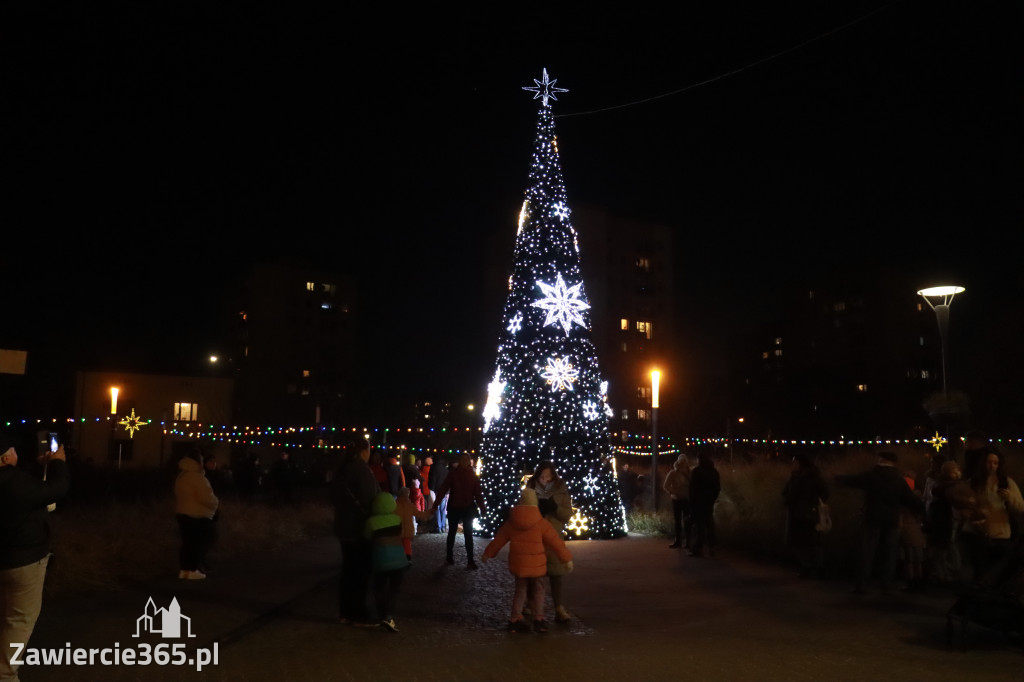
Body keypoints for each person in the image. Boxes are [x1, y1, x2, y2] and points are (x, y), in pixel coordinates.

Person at [0, 431, 70, 682]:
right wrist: (58, 463)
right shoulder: (13, 482)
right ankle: (5, 674)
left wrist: (43, 467)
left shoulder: (15, 482)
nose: (16, 453)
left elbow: (33, 491)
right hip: (23, 560)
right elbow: (56, 489)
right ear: (5, 458)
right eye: (12, 450)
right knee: (19, 620)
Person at [481, 488, 573, 633]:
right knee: (539, 591)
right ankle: (539, 619)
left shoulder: (512, 522)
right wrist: (566, 559)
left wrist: (488, 553)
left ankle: (515, 618)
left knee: (520, 591)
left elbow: (499, 540)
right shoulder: (541, 523)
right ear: (535, 502)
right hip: (537, 565)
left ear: (521, 501)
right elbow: (555, 542)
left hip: (520, 565)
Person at [836, 451, 924, 595]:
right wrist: (922, 509)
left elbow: (853, 480)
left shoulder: (872, 475)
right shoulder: (898, 479)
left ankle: (861, 585)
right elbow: (910, 499)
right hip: (892, 519)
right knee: (889, 553)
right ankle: (886, 584)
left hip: (873, 518)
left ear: (881, 460)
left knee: (867, 552)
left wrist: (838, 478)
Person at [331, 438, 380, 627]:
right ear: (364, 451)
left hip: (343, 527)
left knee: (348, 570)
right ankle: (359, 614)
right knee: (360, 572)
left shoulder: (341, 469)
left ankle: (345, 613)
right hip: (359, 527)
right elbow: (369, 499)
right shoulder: (361, 470)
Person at [962, 446, 1024, 584]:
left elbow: (1020, 507)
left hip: (1001, 533)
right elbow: (963, 504)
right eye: (989, 462)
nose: (992, 466)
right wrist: (968, 510)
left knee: (999, 572)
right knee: (981, 571)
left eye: (995, 463)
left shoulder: (1006, 482)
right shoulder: (974, 483)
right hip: (978, 533)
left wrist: (1010, 497)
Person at [526, 460, 574, 623]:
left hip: (553, 536)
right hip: (535, 536)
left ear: (554, 476)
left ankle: (558, 607)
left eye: (548, 476)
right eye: (542, 476)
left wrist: (555, 508)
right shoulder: (531, 489)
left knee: (556, 573)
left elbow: (567, 514)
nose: (545, 479)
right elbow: (523, 511)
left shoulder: (561, 489)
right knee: (533, 573)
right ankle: (530, 604)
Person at [365, 491, 411, 632]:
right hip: (399, 561)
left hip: (380, 561)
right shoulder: (397, 519)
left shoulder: (371, 522)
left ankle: (382, 614)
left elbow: (367, 537)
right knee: (394, 589)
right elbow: (400, 534)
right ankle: (389, 616)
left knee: (379, 588)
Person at [925, 460, 974, 586]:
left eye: (957, 471)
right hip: (945, 522)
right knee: (944, 550)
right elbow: (955, 500)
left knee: (947, 549)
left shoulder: (951, 485)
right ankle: (946, 575)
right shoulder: (945, 487)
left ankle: (947, 574)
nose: (957, 474)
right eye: (953, 471)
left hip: (950, 522)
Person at [434, 453, 486, 569]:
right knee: (467, 534)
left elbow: (443, 489)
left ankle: (450, 557)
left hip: (455, 506)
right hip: (466, 507)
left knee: (453, 533)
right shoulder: (471, 475)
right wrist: (482, 508)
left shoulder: (454, 473)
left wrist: (435, 505)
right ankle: (469, 560)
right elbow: (478, 494)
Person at [781, 453, 829, 578]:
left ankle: (817, 568)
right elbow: (787, 491)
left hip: (809, 514)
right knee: (798, 542)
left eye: (795, 461)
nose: (793, 464)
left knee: (811, 542)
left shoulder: (813, 476)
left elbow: (824, 492)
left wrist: (813, 504)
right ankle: (807, 567)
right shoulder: (795, 476)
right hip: (796, 513)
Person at [174, 448, 219, 580]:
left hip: (182, 513)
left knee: (188, 543)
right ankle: (192, 569)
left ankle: (185, 570)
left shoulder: (182, 476)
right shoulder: (197, 477)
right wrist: (216, 503)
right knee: (203, 541)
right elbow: (206, 497)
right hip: (197, 515)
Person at [688, 452, 721, 558]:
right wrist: (712, 498)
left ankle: (698, 548)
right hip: (709, 502)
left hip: (698, 502)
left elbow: (692, 489)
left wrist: (692, 502)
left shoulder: (697, 471)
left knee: (699, 526)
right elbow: (717, 487)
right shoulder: (714, 471)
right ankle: (712, 548)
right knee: (710, 525)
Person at [663, 453, 693, 550]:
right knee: (678, 521)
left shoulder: (690, 473)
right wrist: (674, 492)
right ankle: (679, 540)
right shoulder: (673, 473)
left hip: (686, 499)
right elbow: (666, 485)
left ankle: (687, 541)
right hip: (677, 499)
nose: (683, 464)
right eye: (682, 462)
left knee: (686, 520)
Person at [394, 486, 431, 560]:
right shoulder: (410, 505)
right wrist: (430, 512)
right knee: (407, 547)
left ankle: (399, 560)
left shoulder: (395, 506)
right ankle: (408, 560)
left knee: (398, 547)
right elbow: (420, 514)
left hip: (398, 530)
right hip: (408, 530)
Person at [428, 455, 449, 534]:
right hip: (444, 491)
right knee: (443, 509)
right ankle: (443, 526)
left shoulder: (433, 468)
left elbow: (433, 479)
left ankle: (438, 527)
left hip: (436, 490)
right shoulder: (445, 469)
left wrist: (431, 489)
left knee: (436, 508)